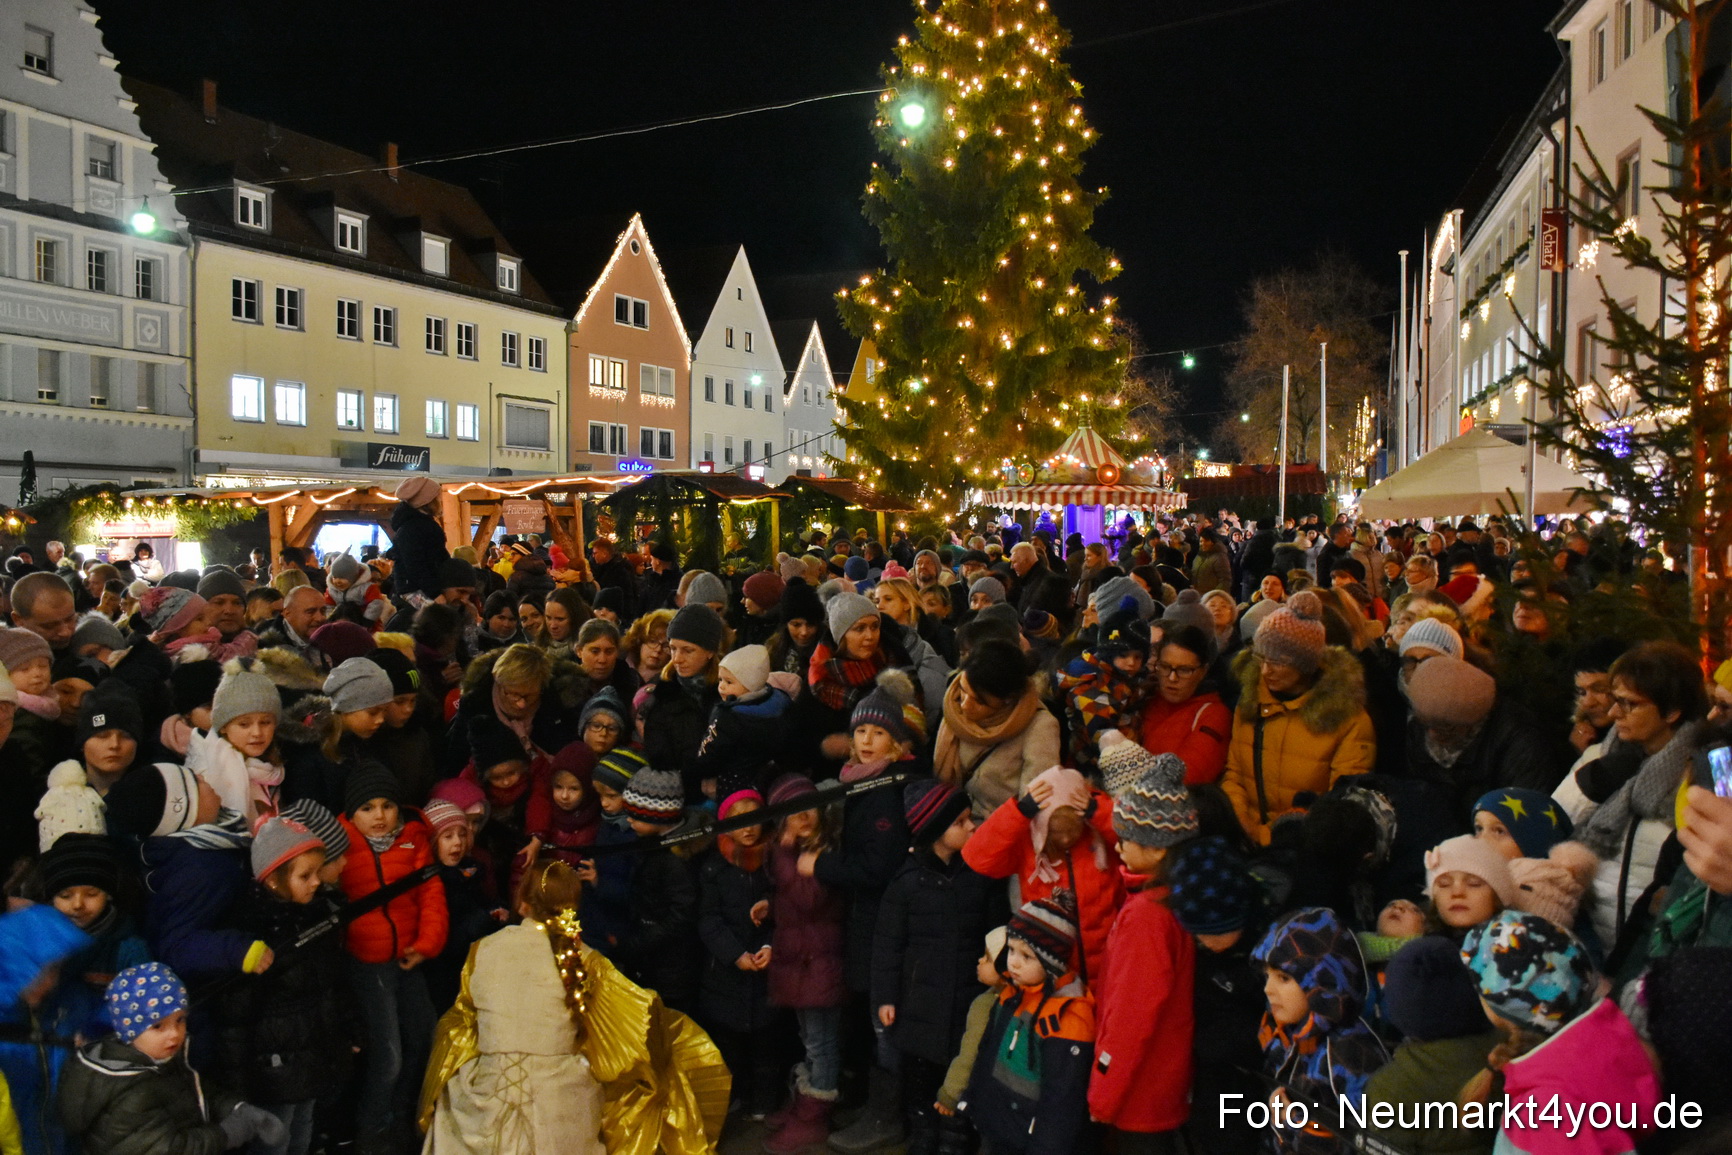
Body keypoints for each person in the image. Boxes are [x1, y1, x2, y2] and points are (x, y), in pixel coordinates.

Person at [418, 859, 729, 1154]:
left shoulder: (483, 949)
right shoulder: (586, 960)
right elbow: (633, 1025)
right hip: (560, 1102)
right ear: (572, 906)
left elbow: (461, 1020)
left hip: (484, 1100)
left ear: (522, 901)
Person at [215, 816, 354, 1155]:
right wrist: (238, 1085)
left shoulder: (317, 919)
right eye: (304, 876)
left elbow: (333, 984)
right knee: (274, 1141)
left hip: (309, 1057)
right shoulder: (255, 933)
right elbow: (235, 1018)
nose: (315, 883)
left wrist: (348, 1030)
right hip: (273, 1070)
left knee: (302, 1134)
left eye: (318, 873)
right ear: (274, 881)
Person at [1089, 752, 1199, 1153]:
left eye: (1126, 840)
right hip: (1160, 1084)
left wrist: (1103, 1091)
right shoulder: (1172, 900)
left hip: (1141, 1092)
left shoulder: (1147, 917)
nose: (1118, 848)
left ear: (1157, 850)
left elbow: (1132, 1016)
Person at [58, 963, 288, 1155]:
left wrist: (238, 1109)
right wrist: (228, 1133)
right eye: (158, 1026)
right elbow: (169, 1150)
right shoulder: (130, 1091)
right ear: (129, 1031)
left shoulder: (159, 1059)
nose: (175, 1033)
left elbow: (190, 1091)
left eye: (180, 1020)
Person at [872, 781, 990, 1152]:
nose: (972, 827)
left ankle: (955, 1142)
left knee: (960, 1077)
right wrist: (886, 997)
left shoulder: (978, 876)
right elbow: (888, 945)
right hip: (919, 1003)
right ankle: (923, 1137)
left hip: (967, 999)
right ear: (936, 832)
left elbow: (991, 929)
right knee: (920, 1079)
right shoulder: (906, 883)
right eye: (961, 822)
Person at [337, 763, 447, 1153]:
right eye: (367, 808)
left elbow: (431, 894)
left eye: (387, 806)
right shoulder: (340, 844)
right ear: (352, 813)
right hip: (367, 961)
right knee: (389, 1056)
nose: (380, 816)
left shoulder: (413, 838)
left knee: (425, 1036)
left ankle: (402, 1120)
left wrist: (427, 943)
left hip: (408, 957)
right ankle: (372, 1132)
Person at [1221, 591, 1376, 845]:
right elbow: (1234, 773)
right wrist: (1241, 823)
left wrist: (1268, 835)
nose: (1265, 670)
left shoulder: (1346, 718)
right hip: (1243, 837)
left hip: (1305, 844)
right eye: (1261, 658)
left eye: (1278, 662)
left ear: (1306, 664)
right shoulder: (1251, 700)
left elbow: (1340, 803)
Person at [959, 890, 1094, 1155]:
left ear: (1052, 963)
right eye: (1011, 950)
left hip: (1030, 1141)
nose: (1014, 963)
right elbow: (986, 1054)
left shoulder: (1068, 1019)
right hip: (997, 1128)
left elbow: (1062, 1101)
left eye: (1027, 956)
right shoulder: (1011, 995)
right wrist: (971, 1098)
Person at [964, 763, 1122, 985]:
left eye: (1071, 829)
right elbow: (977, 857)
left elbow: (1140, 838)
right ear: (1041, 825)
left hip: (1110, 965)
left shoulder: (1099, 835)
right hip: (1050, 975)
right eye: (1056, 832)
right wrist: (1018, 813)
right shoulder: (1027, 841)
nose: (1066, 839)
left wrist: (1099, 811)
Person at [1250, 906, 1388, 1155]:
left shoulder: (1349, 1054)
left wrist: (1291, 1126)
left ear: (1324, 982)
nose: (1267, 989)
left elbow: (1368, 1143)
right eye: (1266, 976)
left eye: (1283, 978)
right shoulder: (1288, 1034)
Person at [762, 774, 847, 1151]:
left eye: (808, 807)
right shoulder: (796, 852)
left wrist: (783, 855)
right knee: (809, 1037)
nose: (804, 816)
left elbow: (809, 899)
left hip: (819, 961)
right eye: (794, 812)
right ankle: (804, 1103)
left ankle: (815, 1115)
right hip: (799, 961)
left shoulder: (820, 851)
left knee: (821, 1042)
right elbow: (791, 897)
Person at [696, 786, 779, 1118]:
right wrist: (733, 954)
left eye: (755, 818)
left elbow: (786, 907)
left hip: (766, 972)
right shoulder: (713, 868)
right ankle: (735, 1096)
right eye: (739, 820)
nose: (748, 828)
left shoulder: (773, 862)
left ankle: (766, 1102)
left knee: (767, 1044)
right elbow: (707, 918)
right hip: (726, 974)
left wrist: (770, 944)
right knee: (729, 1044)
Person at [933, 638, 1061, 817]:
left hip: (1000, 831)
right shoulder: (953, 707)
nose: (965, 705)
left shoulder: (1039, 727)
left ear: (1007, 700)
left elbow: (1034, 805)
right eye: (963, 689)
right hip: (954, 823)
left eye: (979, 701)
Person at [1137, 624, 1232, 785]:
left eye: (1185, 670)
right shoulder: (1146, 700)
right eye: (1165, 667)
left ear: (1202, 671)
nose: (1172, 678)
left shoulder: (1214, 714)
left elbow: (1190, 776)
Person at [387, 475, 450, 603]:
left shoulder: (415, 525)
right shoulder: (414, 529)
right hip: (415, 590)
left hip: (417, 587)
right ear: (428, 501)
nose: (440, 500)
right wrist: (435, 593)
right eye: (437, 497)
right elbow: (416, 564)